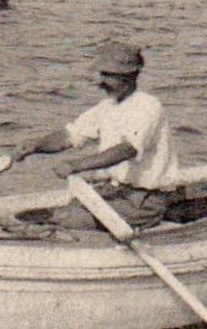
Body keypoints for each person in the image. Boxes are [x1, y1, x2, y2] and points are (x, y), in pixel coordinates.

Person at [11, 41, 180, 230]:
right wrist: (35, 145)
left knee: (66, 220)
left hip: (143, 201)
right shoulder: (106, 108)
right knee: (45, 215)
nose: (100, 82)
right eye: (101, 74)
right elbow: (70, 135)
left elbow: (127, 149)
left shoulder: (148, 106)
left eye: (107, 75)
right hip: (113, 191)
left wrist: (75, 165)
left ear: (128, 76)